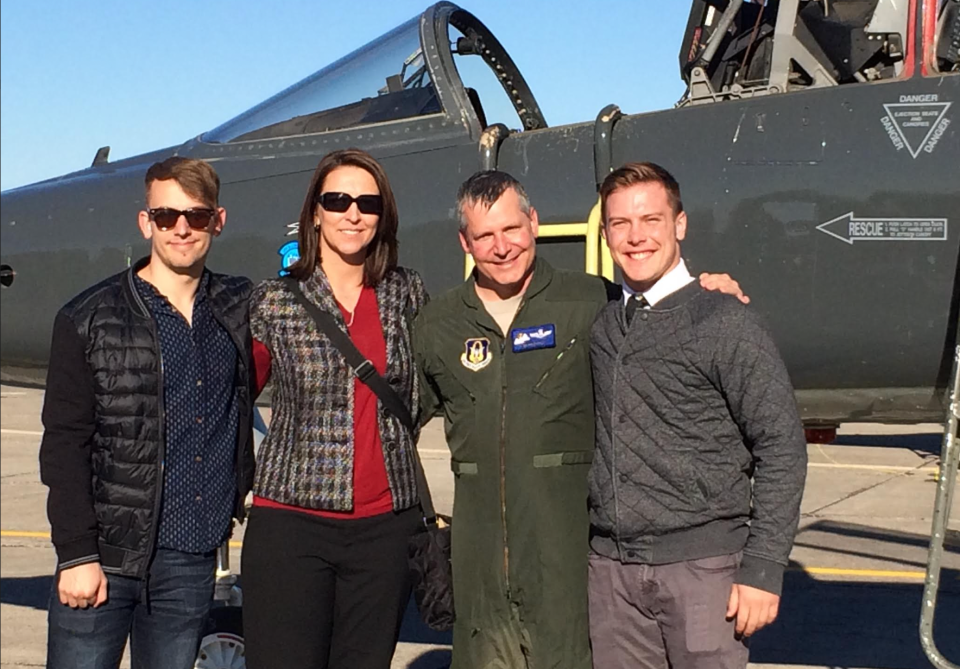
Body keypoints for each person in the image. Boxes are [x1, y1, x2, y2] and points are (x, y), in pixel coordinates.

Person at [412, 170, 746, 669]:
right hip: (480, 577)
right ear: (465, 241)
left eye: (512, 229)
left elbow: (661, 310)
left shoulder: (593, 303)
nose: (502, 247)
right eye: (484, 236)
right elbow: (394, 427)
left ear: (534, 223)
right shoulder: (436, 326)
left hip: (568, 569)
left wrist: (706, 289)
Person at [587, 162, 808, 669]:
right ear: (605, 234)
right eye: (620, 224)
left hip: (703, 569)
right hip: (612, 575)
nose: (636, 237)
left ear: (680, 225)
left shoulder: (725, 319)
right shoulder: (601, 321)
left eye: (652, 220)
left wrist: (764, 568)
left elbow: (781, 445)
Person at [39, 157, 256, 669]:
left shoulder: (238, 307)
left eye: (197, 216)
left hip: (190, 556)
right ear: (146, 223)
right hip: (106, 558)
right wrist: (76, 555)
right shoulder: (87, 318)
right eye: (166, 216)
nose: (182, 228)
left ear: (217, 222)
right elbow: (65, 443)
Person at [240, 148, 428, 669]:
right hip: (292, 524)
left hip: (386, 530)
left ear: (382, 215)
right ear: (315, 212)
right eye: (338, 199)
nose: (352, 213)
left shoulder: (407, 293)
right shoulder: (274, 301)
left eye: (367, 203)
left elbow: (432, 388)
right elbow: (231, 399)